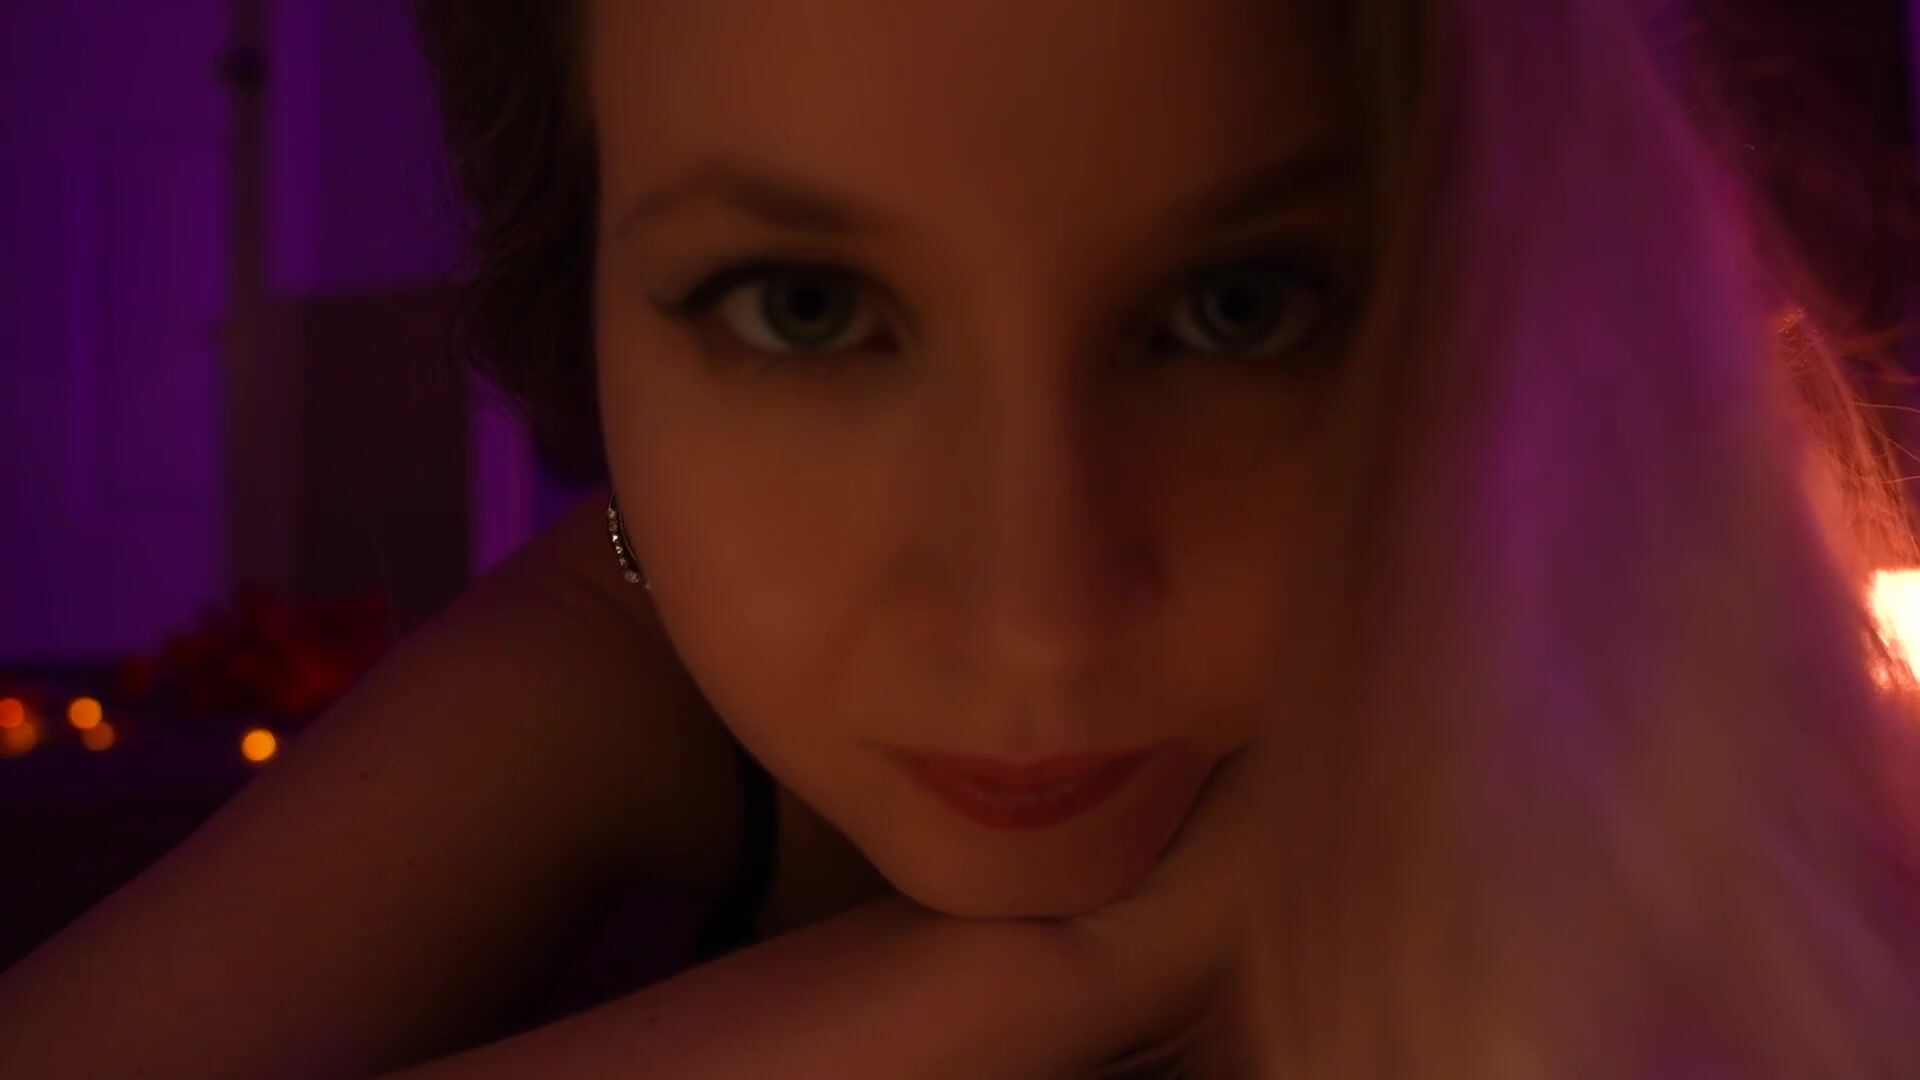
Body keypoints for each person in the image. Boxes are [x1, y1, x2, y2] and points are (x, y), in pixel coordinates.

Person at [4, 0, 1919, 1076]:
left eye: (1236, 310)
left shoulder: (1676, 716)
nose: (1034, 621)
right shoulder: (628, 639)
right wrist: (1071, 969)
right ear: (581, 295)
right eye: (804, 310)